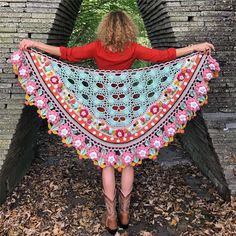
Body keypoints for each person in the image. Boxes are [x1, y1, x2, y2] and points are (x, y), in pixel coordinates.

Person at [19, 10, 215, 234]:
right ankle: (124, 214)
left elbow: (67, 54)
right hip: (129, 110)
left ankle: (111, 218)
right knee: (128, 161)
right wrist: (194, 48)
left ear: (105, 28)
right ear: (127, 28)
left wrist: (35, 45)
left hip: (102, 111)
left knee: (107, 161)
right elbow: (163, 56)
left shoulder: (96, 47)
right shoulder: (132, 48)